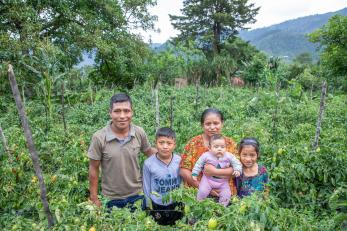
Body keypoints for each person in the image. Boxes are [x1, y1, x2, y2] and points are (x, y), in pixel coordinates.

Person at [88, 93, 156, 211]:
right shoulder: (99, 137)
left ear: (132, 112)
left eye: (126, 111)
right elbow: (94, 168)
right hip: (111, 199)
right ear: (110, 113)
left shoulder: (139, 132)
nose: (122, 116)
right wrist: (94, 198)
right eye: (117, 111)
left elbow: (149, 151)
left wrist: (171, 157)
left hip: (137, 195)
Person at [180, 108, 239, 197]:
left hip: (224, 192)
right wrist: (202, 187)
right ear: (202, 125)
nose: (212, 127)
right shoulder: (194, 143)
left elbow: (237, 168)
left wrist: (214, 171)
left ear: (222, 123)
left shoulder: (230, 143)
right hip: (197, 193)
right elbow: (184, 170)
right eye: (208, 124)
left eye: (216, 123)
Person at [143, 127, 183, 226]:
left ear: (174, 145)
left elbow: (182, 181)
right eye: (161, 143)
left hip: (175, 202)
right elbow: (146, 186)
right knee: (158, 225)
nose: (165, 146)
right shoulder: (148, 163)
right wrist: (148, 205)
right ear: (155, 143)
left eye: (169, 143)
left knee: (176, 224)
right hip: (157, 203)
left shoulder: (179, 160)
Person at [192, 134, 242, 206]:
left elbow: (237, 163)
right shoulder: (206, 155)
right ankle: (199, 205)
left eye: (222, 147)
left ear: (226, 148)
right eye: (216, 147)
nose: (219, 149)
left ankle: (221, 208)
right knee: (202, 191)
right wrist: (195, 173)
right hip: (208, 180)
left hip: (222, 182)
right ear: (210, 148)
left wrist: (237, 170)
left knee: (227, 195)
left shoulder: (228, 156)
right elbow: (198, 164)